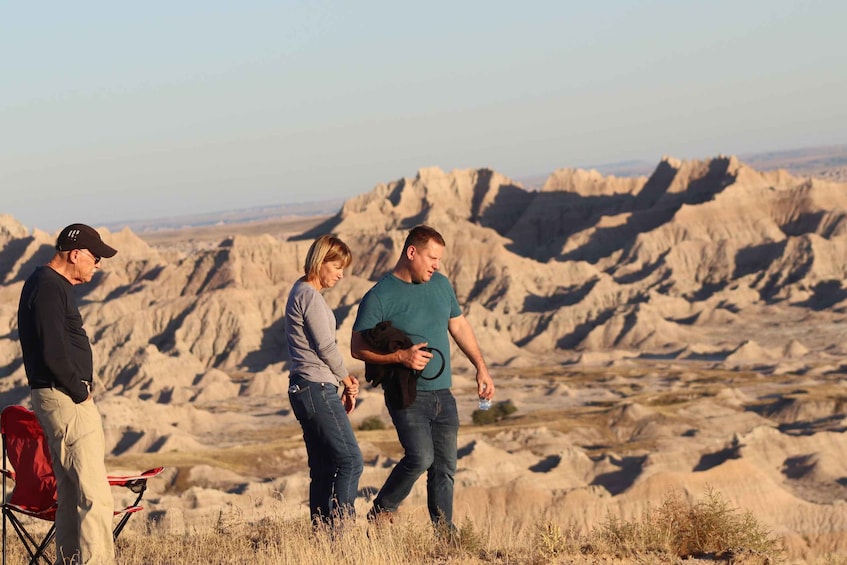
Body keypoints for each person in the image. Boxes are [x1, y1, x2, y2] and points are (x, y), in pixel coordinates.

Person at [351, 224, 495, 530]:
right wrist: (400, 357)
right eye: (431, 258)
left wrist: (480, 367)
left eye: (439, 260)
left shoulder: (442, 285)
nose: (436, 265)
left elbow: (459, 327)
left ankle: (446, 538)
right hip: (407, 395)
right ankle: (382, 510)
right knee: (420, 457)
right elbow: (357, 347)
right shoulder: (379, 296)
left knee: (445, 468)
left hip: (444, 393)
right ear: (411, 252)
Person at [17, 223, 118, 565]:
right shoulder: (48, 286)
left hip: (58, 396)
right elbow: (53, 352)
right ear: (75, 254)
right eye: (95, 257)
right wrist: (80, 391)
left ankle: (70, 561)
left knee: (73, 493)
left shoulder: (47, 284)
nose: (98, 264)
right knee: (95, 495)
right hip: (66, 398)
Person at [285, 234, 364, 527]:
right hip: (316, 387)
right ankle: (340, 537)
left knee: (323, 467)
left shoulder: (298, 290)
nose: (342, 274)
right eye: (337, 266)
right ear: (321, 262)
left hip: (303, 388)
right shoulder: (310, 296)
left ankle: (322, 538)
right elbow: (326, 348)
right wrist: (346, 380)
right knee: (351, 461)